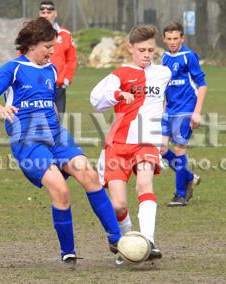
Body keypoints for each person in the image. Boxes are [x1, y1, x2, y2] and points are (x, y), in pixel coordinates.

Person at [0, 17, 121, 268]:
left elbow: (49, 101)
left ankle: (117, 239)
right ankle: (68, 252)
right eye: (47, 47)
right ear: (32, 44)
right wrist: (0, 109)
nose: (52, 52)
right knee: (60, 189)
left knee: (88, 174)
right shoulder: (13, 68)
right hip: (28, 140)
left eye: (53, 46)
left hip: (56, 135)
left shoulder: (52, 70)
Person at [90, 24, 171, 262]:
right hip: (119, 143)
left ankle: (148, 241)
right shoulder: (120, 74)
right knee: (118, 205)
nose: (147, 54)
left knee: (145, 185)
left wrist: (162, 133)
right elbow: (96, 99)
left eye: (150, 50)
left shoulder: (163, 73)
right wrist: (118, 95)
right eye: (142, 50)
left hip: (146, 142)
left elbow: (163, 103)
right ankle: (127, 243)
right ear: (131, 49)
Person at [160, 22, 206, 207]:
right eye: (169, 39)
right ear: (163, 39)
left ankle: (180, 194)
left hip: (186, 110)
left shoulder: (189, 56)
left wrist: (197, 113)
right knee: (161, 149)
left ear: (182, 38)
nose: (172, 42)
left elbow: (202, 85)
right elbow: (165, 87)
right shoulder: (163, 58)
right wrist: (163, 110)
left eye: (176, 38)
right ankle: (189, 177)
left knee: (179, 150)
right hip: (168, 110)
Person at [39, 1, 77, 120]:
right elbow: (22, 56)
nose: (45, 15)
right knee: (37, 124)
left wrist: (66, 80)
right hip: (38, 86)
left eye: (49, 12)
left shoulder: (65, 34)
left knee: (56, 122)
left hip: (58, 87)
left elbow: (72, 59)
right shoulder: (32, 34)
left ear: (55, 13)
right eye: (43, 12)